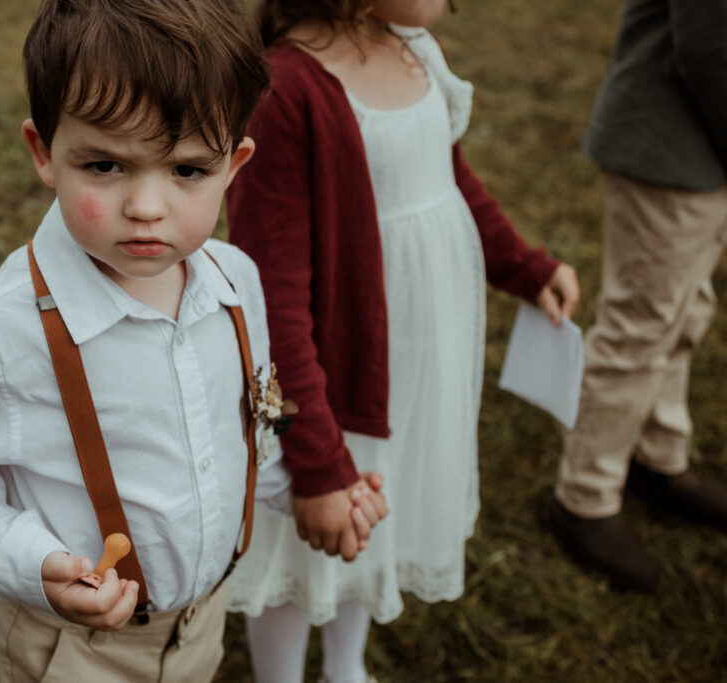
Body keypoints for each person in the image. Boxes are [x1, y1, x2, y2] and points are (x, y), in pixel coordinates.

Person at [0, 1, 388, 681]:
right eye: (105, 166)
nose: (147, 206)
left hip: (201, 622)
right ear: (44, 153)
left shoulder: (236, 284)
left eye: (187, 171)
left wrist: (303, 485)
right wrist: (31, 561)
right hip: (71, 650)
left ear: (234, 164)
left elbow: (239, 430)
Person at [224, 1, 580, 681]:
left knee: (384, 504)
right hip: (337, 370)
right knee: (314, 528)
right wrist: (317, 460)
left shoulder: (412, 48)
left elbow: (453, 181)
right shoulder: (286, 89)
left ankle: (347, 667)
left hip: (421, 348)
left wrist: (525, 268)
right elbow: (271, 295)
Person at [547, 0, 727, 593]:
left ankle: (656, 455)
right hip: (669, 144)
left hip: (703, 151)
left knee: (685, 308)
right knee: (640, 325)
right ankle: (585, 497)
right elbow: (709, 43)